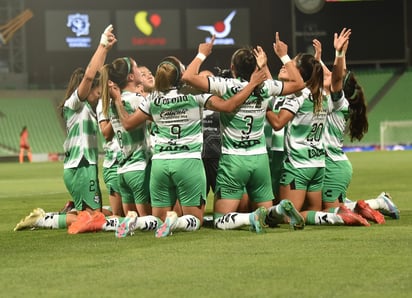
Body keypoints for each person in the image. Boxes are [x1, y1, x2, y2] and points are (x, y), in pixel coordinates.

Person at [107, 52, 267, 237]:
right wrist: (253, 83)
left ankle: (135, 222)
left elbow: (127, 124)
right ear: (179, 75)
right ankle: (176, 222)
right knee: (195, 220)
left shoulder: (153, 100)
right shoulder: (195, 96)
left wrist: (118, 100)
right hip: (188, 162)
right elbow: (229, 106)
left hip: (160, 163)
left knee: (157, 220)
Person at [182, 33, 306, 233]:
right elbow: (300, 84)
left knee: (220, 221)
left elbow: (187, 77)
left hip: (234, 161)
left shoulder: (226, 86)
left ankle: (250, 217)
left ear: (232, 68)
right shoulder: (266, 86)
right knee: (267, 214)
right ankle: (280, 209)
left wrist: (201, 54)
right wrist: (283, 56)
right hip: (260, 160)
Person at [14, 25, 121, 233]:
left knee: (98, 214)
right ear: (85, 87)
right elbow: (90, 76)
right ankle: (44, 219)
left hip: (81, 167)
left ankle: (63, 212)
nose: (99, 94)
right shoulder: (76, 103)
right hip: (81, 167)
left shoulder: (84, 109)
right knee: (94, 219)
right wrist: (103, 47)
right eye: (96, 90)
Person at [264, 28, 371, 227]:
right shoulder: (326, 98)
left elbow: (278, 122)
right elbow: (335, 78)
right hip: (318, 164)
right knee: (313, 211)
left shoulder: (299, 96)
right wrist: (336, 55)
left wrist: (262, 105)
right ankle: (342, 213)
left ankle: (337, 216)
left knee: (289, 216)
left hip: (297, 165)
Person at [312, 38, 399, 222]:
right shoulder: (337, 97)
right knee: (320, 207)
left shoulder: (337, 101)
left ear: (339, 87)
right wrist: (318, 59)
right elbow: (332, 74)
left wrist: (339, 54)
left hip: (333, 165)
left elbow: (334, 76)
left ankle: (377, 203)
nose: (325, 75)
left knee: (327, 211)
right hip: (332, 163)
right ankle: (376, 202)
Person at [100, 56, 161, 237]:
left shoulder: (112, 103)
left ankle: (125, 223)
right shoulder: (135, 100)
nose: (140, 71)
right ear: (130, 77)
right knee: (147, 222)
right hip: (139, 167)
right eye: (136, 68)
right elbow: (159, 118)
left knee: (132, 219)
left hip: (122, 171)